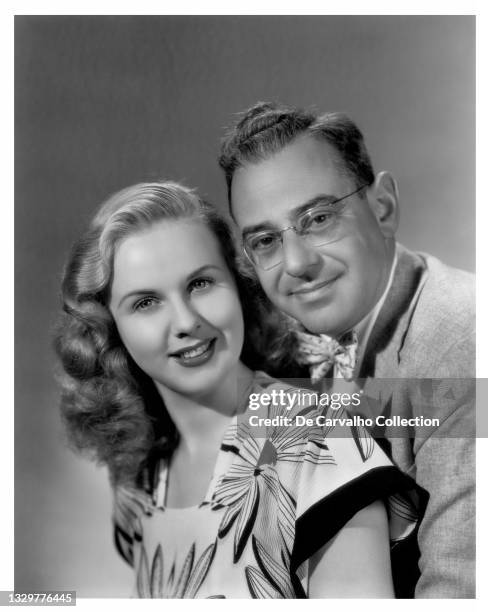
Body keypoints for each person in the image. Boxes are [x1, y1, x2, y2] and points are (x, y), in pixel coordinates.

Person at [54, 181, 421, 598]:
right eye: (145, 303)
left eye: (200, 284)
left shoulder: (316, 441)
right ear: (109, 328)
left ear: (239, 283)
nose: (186, 321)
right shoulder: (142, 479)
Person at [218, 101, 475, 599]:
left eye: (318, 218)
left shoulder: (460, 339)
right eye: (266, 240)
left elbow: (462, 591)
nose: (296, 263)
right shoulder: (287, 349)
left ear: (383, 208)